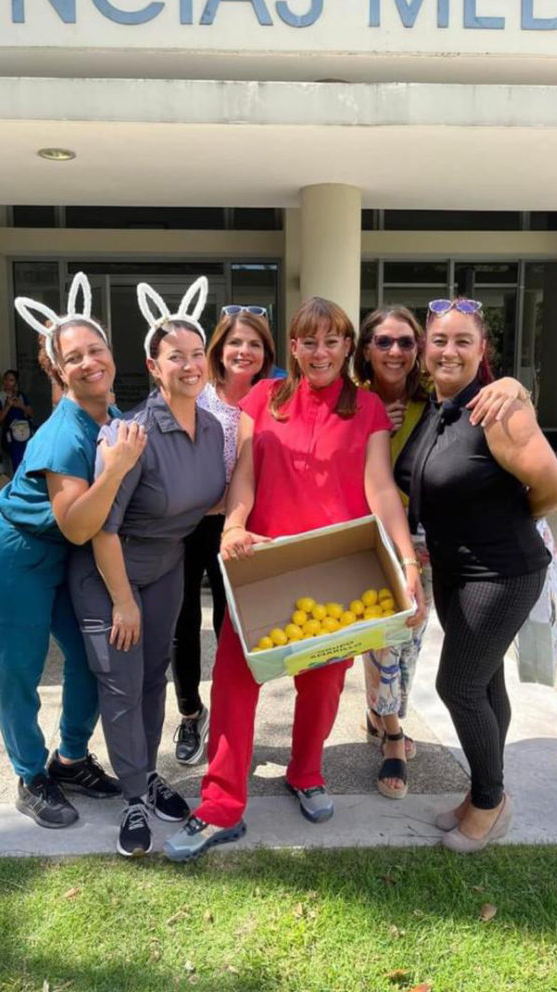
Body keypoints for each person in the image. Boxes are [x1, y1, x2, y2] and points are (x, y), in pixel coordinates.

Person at [164, 296, 427, 862]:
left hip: (337, 571)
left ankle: (306, 772)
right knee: (235, 683)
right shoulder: (263, 397)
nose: (320, 352)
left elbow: (382, 489)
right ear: (293, 347)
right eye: (309, 341)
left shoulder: (368, 408)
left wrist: (407, 563)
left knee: (324, 685)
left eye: (332, 341)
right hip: (265, 565)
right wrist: (234, 524)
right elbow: (245, 473)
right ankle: (220, 804)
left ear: (348, 346)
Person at [0, 274, 146, 829]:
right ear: (58, 371)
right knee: (19, 671)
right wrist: (113, 472)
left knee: (91, 661)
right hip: (16, 558)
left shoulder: (111, 418)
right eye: (74, 358)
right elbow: (76, 525)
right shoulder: (62, 434)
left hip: (62, 561)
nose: (89, 362)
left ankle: (69, 760)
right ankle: (30, 774)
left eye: (96, 349)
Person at [394, 297, 557, 852]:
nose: (449, 351)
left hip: (501, 571)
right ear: (426, 349)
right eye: (439, 340)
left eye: (462, 341)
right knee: (485, 681)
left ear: (482, 349)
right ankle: (481, 792)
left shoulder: (497, 409)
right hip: (454, 570)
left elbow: (556, 488)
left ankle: (491, 804)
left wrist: (514, 521)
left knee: (458, 685)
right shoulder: (438, 405)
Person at [69, 278, 226, 857]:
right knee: (122, 685)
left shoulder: (212, 428)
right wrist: (122, 601)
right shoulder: (129, 433)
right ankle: (133, 796)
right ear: (154, 367)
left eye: (196, 354)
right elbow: (103, 527)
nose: (189, 365)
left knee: (155, 677)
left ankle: (148, 772)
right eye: (174, 356)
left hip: (167, 569)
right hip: (110, 576)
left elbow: (208, 500)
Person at [354, 306, 530, 798]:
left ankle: (386, 717)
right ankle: (389, 729)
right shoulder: (353, 399)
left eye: (406, 342)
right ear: (366, 349)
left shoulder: (432, 394)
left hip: (426, 539)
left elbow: (491, 393)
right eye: (383, 342)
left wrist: (515, 385)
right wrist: (375, 429)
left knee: (407, 642)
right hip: (368, 536)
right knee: (380, 640)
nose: (395, 351)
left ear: (419, 349)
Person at [170, 304, 275, 766]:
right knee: (182, 620)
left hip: (242, 526)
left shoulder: (275, 399)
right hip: (188, 523)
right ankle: (190, 713)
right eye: (235, 342)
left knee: (232, 626)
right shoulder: (197, 394)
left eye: (254, 343)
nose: (243, 351)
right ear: (219, 348)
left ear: (266, 352)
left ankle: (233, 718)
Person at [0, 369, 34, 474]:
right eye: (6, 379)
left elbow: (31, 413)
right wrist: (7, 406)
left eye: (11, 380)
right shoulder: (0, 397)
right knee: (16, 463)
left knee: (28, 460)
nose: (8, 383)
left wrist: (21, 406)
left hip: (25, 432)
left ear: (15, 383)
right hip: (11, 435)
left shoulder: (21, 396)